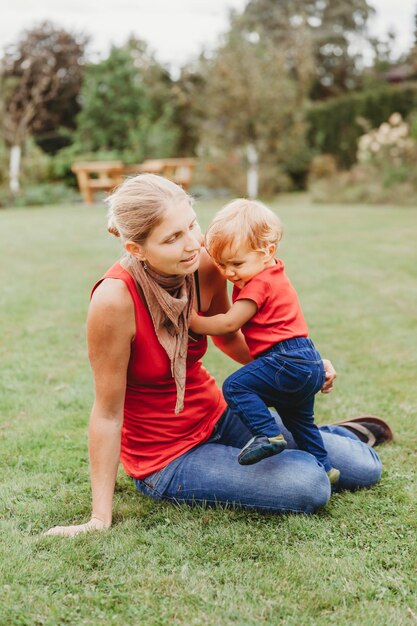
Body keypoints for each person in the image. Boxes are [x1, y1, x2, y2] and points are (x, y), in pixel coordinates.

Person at [45, 174, 390, 537]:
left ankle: (328, 435)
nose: (193, 244)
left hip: (219, 415)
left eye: (192, 225)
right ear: (137, 249)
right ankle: (308, 440)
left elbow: (228, 337)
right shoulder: (114, 301)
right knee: (310, 483)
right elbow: (108, 412)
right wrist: (99, 518)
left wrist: (299, 365)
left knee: (364, 468)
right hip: (168, 456)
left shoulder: (204, 265)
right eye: (172, 238)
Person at [189, 199, 339, 484]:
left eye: (236, 263)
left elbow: (230, 323)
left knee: (235, 386)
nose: (228, 273)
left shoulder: (259, 284)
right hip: (305, 357)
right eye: (221, 264)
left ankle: (267, 435)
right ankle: (326, 469)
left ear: (268, 251)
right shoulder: (274, 272)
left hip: (285, 359)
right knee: (301, 422)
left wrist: (189, 320)